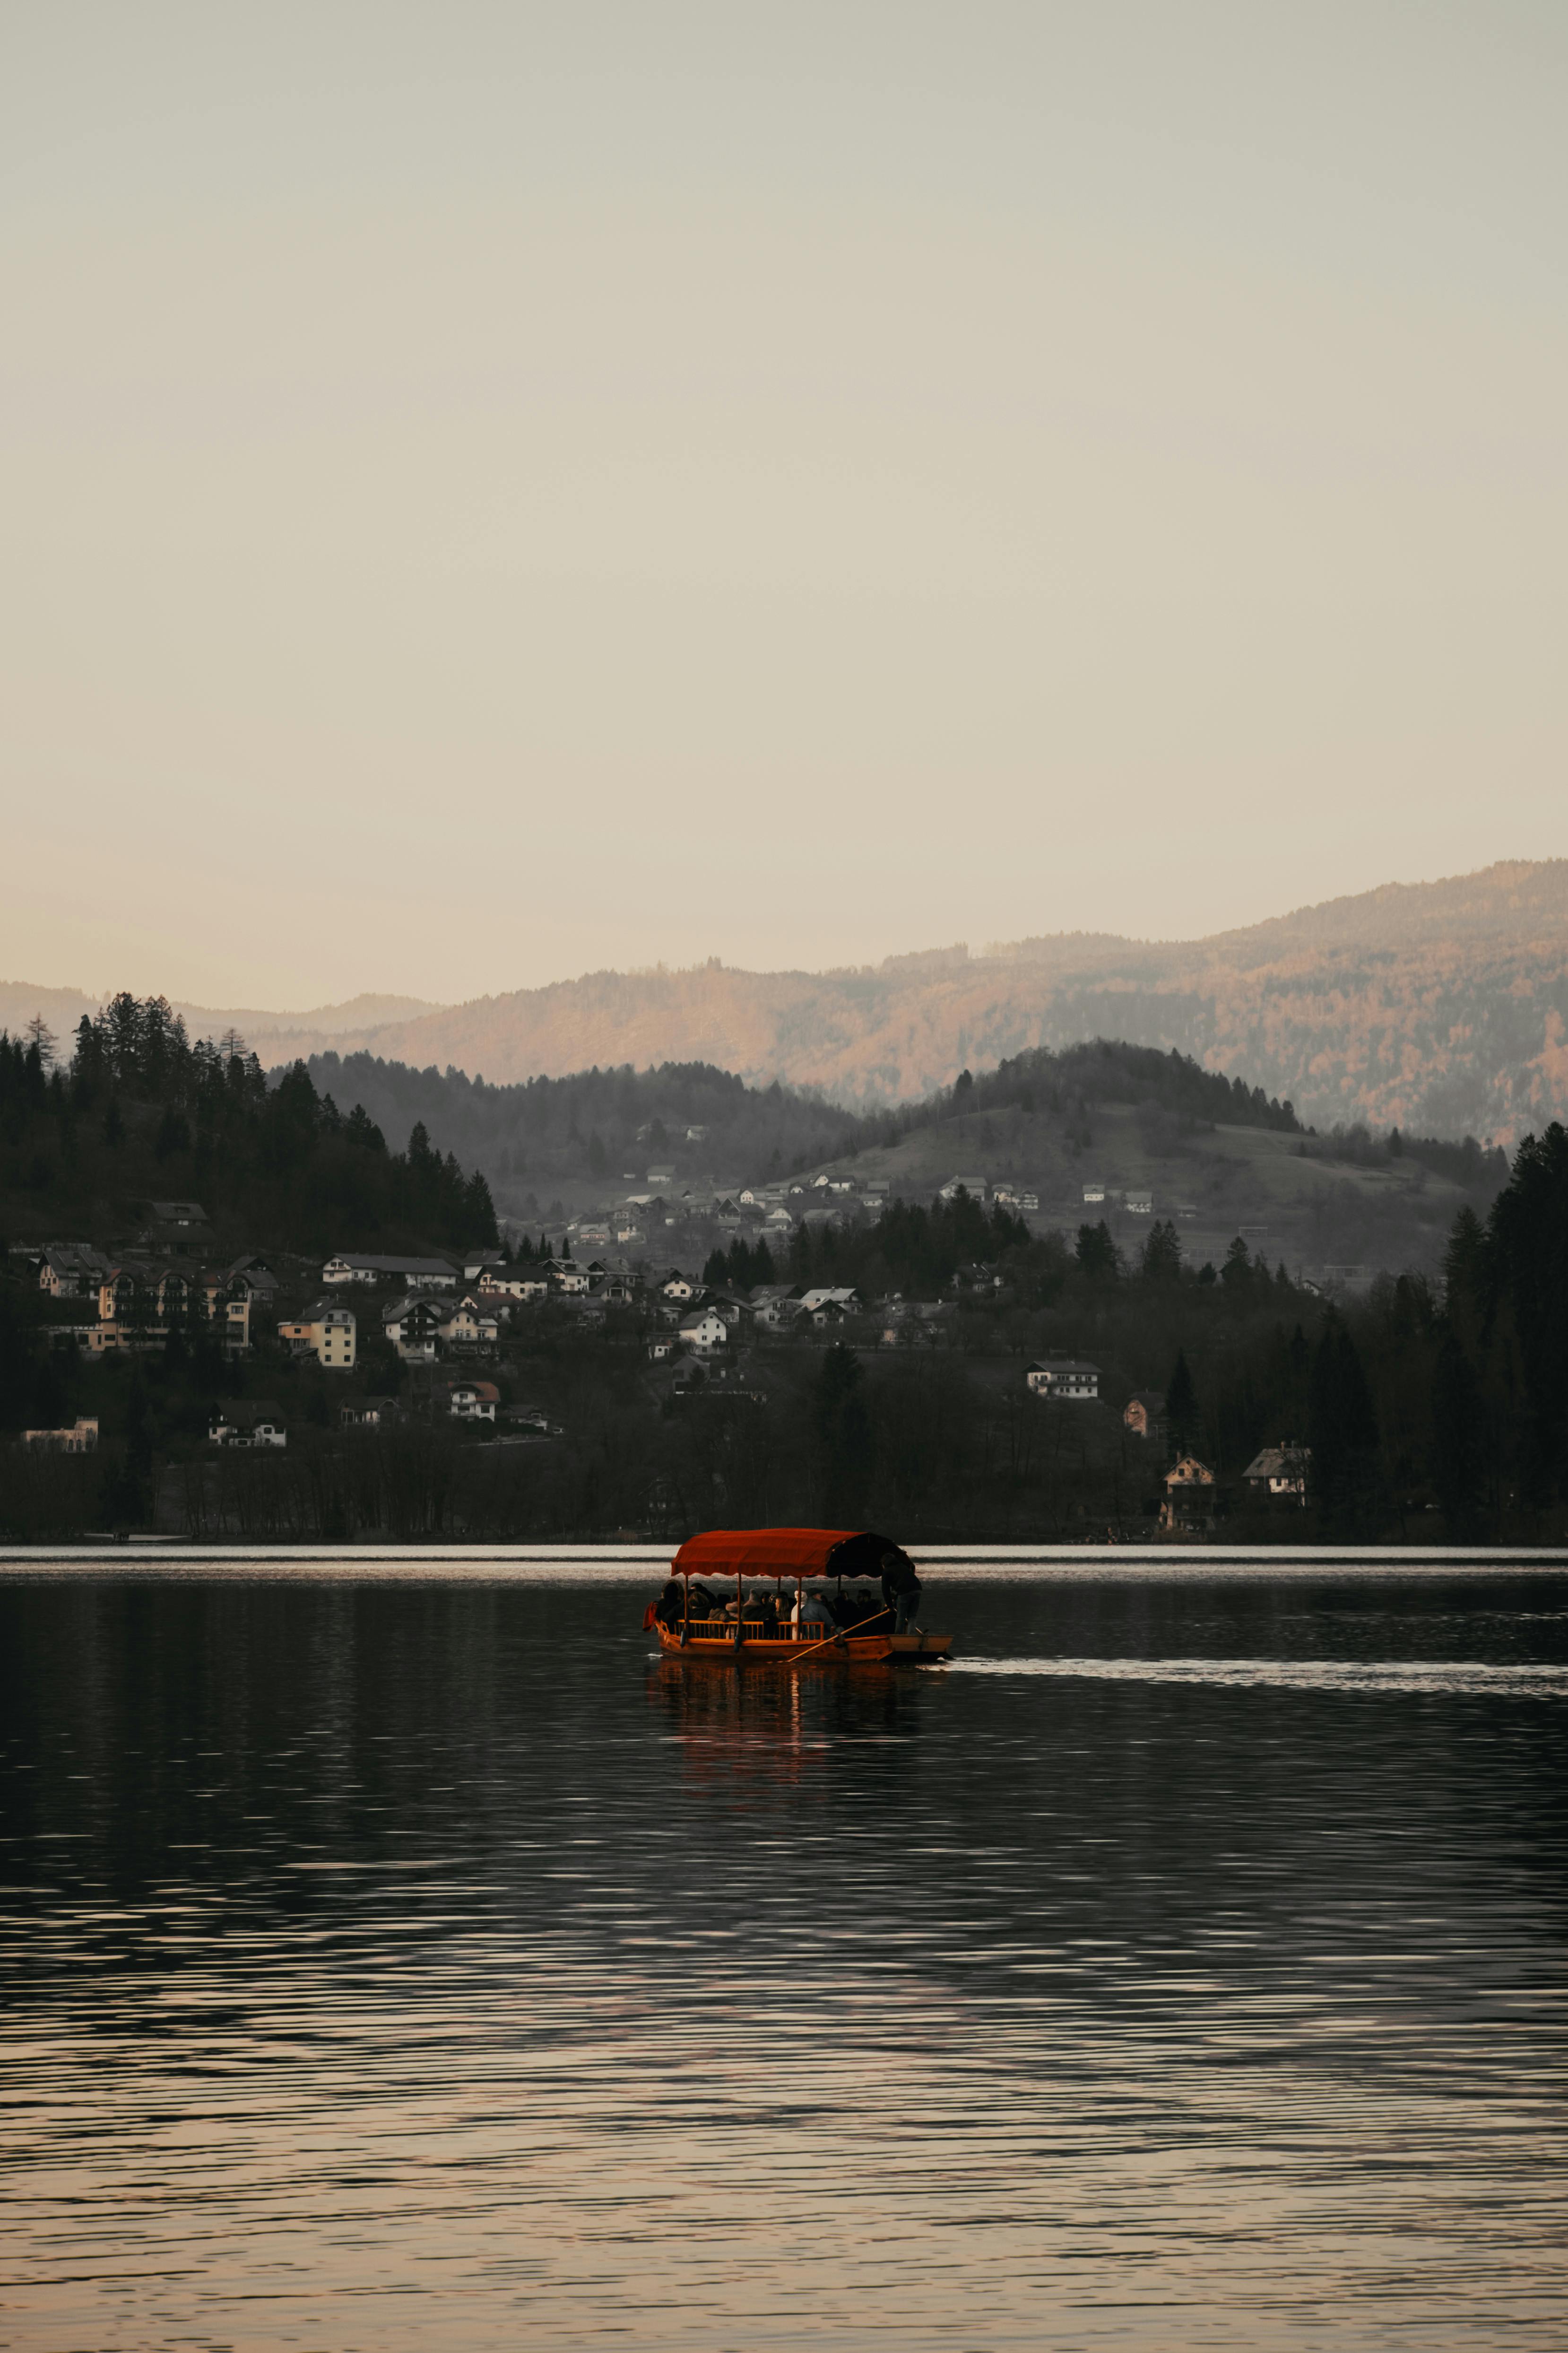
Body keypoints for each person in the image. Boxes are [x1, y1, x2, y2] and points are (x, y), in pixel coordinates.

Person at [880, 1548, 922, 1634]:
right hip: (918, 1589)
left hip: (905, 1592)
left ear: (884, 1563)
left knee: (901, 1616)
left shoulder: (887, 1571)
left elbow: (885, 1590)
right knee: (912, 1616)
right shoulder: (902, 1566)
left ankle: (898, 1636)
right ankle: (911, 1636)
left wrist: (890, 1606)